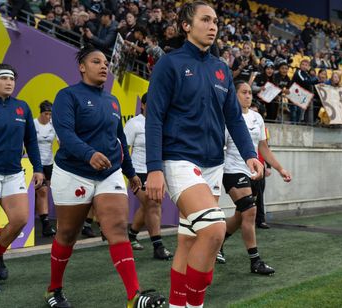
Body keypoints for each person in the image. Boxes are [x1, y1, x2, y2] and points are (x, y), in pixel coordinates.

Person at [145, 2, 263, 307]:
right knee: (214, 230)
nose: (213, 26)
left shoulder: (221, 68)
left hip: (214, 165)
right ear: (187, 25)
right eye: (205, 20)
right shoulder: (169, 64)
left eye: (215, 21)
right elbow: (154, 118)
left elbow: (234, 119)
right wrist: (154, 168)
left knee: (189, 240)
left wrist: (250, 154)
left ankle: (176, 304)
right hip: (179, 160)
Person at [45, 46, 164, 308]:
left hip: (109, 173)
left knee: (117, 229)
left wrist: (130, 172)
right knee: (67, 233)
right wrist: (88, 154)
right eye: (96, 61)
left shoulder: (112, 101)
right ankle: (53, 290)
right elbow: (65, 134)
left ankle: (134, 296)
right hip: (74, 172)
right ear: (82, 67)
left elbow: (119, 139)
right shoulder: (67, 96)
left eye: (105, 62)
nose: (103, 66)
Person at [216, 81, 292, 274]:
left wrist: (280, 168)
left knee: (241, 215)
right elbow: (219, 148)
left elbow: (263, 148)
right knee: (250, 212)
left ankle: (217, 243)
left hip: (254, 172)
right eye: (244, 92)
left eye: (250, 93)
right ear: (234, 95)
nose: (248, 96)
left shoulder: (258, 118)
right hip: (232, 170)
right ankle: (255, 261)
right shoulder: (226, 118)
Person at [0, 64, 44, 293]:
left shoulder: (22, 107)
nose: (9, 82)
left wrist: (38, 168)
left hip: (14, 172)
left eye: (12, 79)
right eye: (4, 78)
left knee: (20, 219)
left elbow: (31, 142)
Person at [124, 93, 173, 260]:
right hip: (138, 172)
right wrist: (130, 175)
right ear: (143, 105)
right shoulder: (134, 124)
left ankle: (131, 235)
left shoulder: (162, 122)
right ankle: (158, 246)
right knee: (152, 204)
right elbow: (124, 150)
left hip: (156, 171)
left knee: (148, 206)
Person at [34, 100, 57, 237]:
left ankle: (46, 223)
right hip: (36, 164)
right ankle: (46, 225)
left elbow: (61, 141)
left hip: (49, 163)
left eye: (50, 114)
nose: (48, 117)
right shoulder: (33, 123)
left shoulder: (53, 124)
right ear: (41, 113)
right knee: (42, 191)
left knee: (48, 192)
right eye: (46, 114)